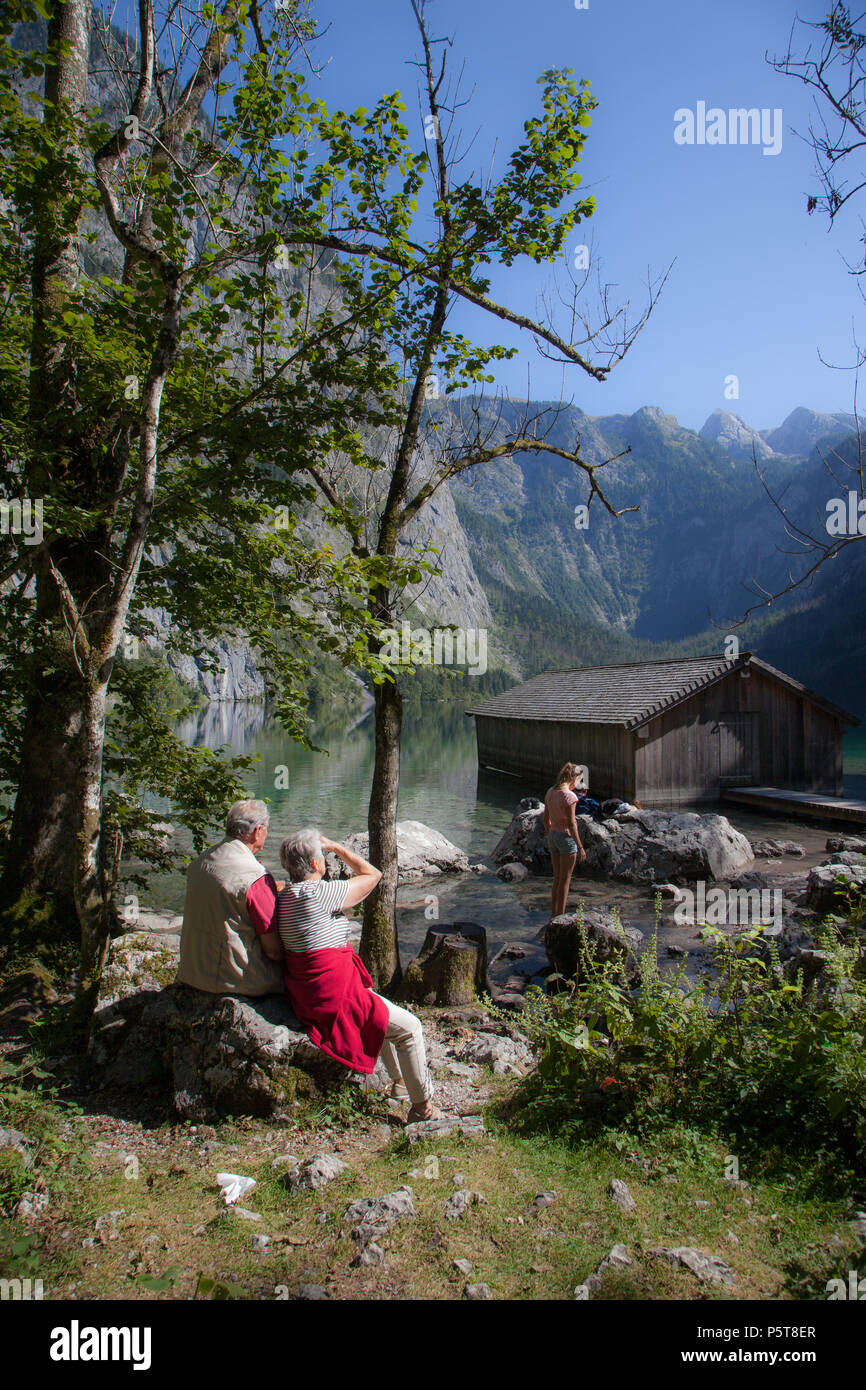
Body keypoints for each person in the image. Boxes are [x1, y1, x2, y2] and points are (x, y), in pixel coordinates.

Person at [257, 828, 436, 1124]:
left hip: (309, 991)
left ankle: (401, 1085)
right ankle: (422, 1108)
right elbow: (373, 875)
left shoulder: (286, 894)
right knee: (411, 1028)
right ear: (315, 864)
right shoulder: (322, 893)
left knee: (379, 1013)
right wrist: (339, 848)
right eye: (322, 857)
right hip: (333, 996)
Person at [176, 799, 283, 996]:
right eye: (266, 829)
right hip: (235, 980)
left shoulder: (200, 862)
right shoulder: (256, 877)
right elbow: (273, 951)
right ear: (257, 831)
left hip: (191, 972)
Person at [544, 762, 587, 920]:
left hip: (553, 836)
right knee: (565, 881)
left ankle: (552, 915)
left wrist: (551, 834)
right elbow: (571, 823)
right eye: (579, 779)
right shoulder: (569, 796)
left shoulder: (550, 791)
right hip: (566, 838)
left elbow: (545, 818)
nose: (578, 783)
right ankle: (560, 918)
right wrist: (581, 847)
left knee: (556, 879)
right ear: (573, 777)